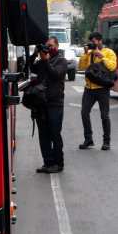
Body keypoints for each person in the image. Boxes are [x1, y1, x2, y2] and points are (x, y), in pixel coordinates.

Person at [29, 36, 68, 173]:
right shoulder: (42, 61)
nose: (48, 48)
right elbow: (30, 67)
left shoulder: (62, 61)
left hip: (55, 104)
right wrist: (35, 53)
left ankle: (58, 163)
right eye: (46, 46)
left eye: (51, 45)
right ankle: (48, 162)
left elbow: (55, 75)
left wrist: (45, 60)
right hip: (41, 104)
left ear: (57, 46)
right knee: (43, 135)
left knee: (54, 134)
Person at [77, 31, 117, 151]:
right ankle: (88, 139)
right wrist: (85, 54)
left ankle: (106, 142)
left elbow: (112, 66)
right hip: (89, 89)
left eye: (94, 41)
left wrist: (102, 56)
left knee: (104, 116)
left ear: (100, 41)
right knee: (84, 113)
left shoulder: (109, 52)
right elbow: (81, 67)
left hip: (102, 89)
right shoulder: (89, 54)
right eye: (91, 42)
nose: (92, 44)